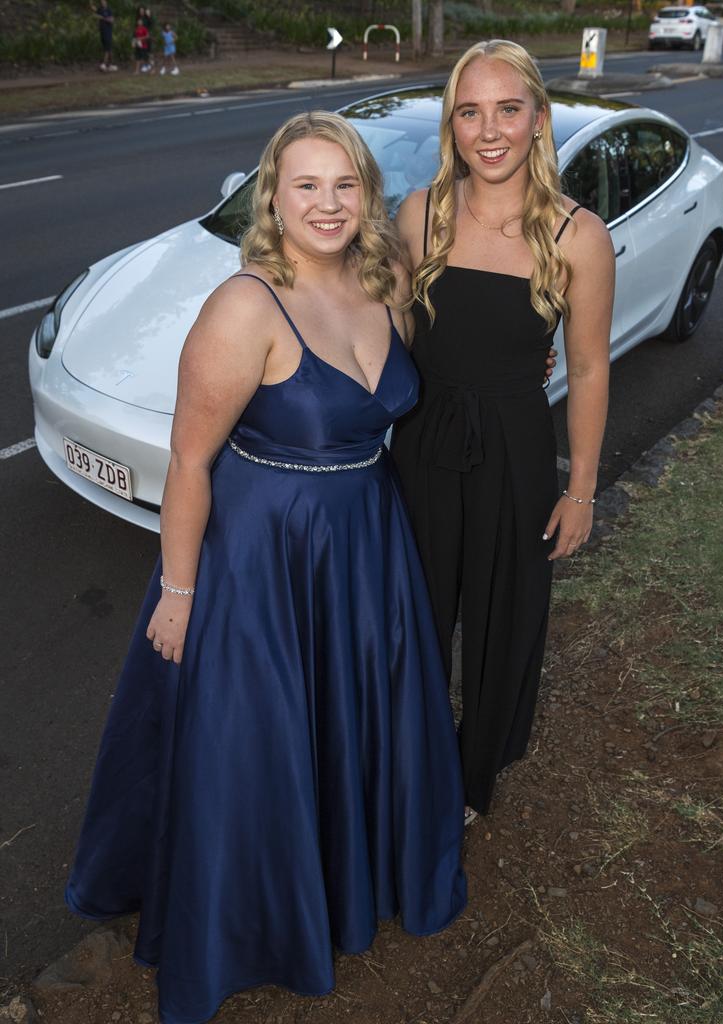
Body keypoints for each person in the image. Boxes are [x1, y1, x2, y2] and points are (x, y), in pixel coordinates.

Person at [65, 111, 467, 1024]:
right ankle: (257, 923)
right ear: (273, 199)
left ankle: (351, 873)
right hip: (265, 559)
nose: (326, 204)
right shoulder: (245, 306)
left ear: (364, 193)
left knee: (355, 721)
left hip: (367, 541)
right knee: (259, 746)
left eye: (343, 184)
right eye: (305, 186)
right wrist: (178, 590)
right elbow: (189, 463)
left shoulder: (386, 278)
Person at [391, 39, 614, 823]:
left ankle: (471, 779)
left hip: (517, 452)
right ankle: (403, 764)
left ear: (539, 121)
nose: (490, 131)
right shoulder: (419, 215)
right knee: (411, 617)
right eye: (470, 111)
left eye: (508, 110)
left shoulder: (578, 237)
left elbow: (587, 369)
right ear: (452, 124)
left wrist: (580, 489)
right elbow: (382, 339)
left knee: (502, 623)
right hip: (420, 444)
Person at [93, 2, 116, 72]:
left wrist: (102, 18)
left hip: (108, 32)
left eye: (103, 1)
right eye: (101, 1)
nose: (102, 2)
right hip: (102, 32)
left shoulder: (109, 10)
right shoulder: (100, 9)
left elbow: (112, 20)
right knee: (108, 48)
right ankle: (111, 65)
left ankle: (104, 64)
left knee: (107, 48)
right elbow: (94, 12)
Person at [137, 4, 155, 71]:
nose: (141, 12)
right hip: (141, 38)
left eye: (142, 10)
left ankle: (152, 67)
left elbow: (151, 24)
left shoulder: (147, 17)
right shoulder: (138, 18)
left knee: (149, 52)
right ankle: (145, 65)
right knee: (143, 52)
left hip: (147, 37)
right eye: (140, 11)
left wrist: (149, 15)